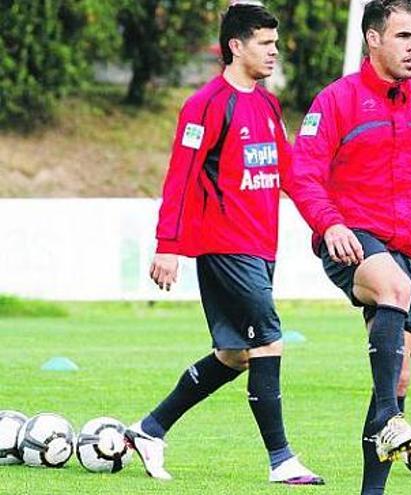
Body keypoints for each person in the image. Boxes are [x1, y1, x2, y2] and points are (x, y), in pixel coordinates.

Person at [125, 2, 324, 485]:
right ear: (236, 47)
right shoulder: (207, 105)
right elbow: (181, 176)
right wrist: (167, 244)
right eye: (265, 43)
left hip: (260, 248)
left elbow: (291, 174)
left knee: (235, 355)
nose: (275, 53)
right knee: (269, 340)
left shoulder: (267, 104)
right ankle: (282, 461)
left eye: (276, 44)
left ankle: (150, 430)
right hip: (224, 246)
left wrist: (328, 221)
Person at [289, 0, 411, 493]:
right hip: (353, 241)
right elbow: (303, 173)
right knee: (392, 288)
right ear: (373, 39)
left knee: (395, 381)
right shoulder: (337, 100)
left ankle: (372, 487)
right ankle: (393, 419)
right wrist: (329, 224)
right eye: (403, 37)